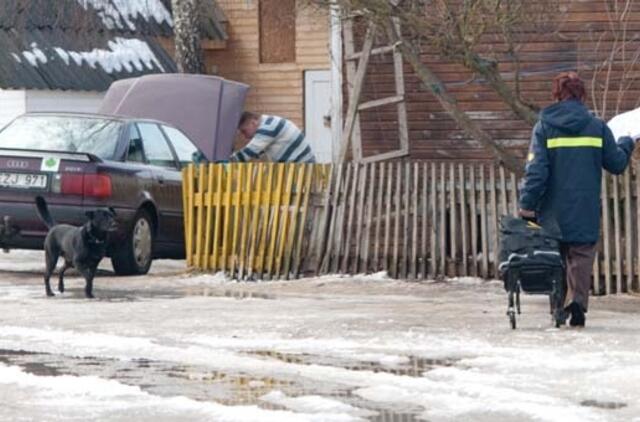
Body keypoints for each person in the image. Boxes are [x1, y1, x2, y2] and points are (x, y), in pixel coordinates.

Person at [518, 72, 637, 328]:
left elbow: (536, 171)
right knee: (581, 256)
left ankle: (557, 306)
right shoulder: (597, 126)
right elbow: (616, 164)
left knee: (555, 258)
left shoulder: (544, 127)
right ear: (582, 94)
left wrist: (527, 204)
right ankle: (578, 304)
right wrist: (627, 142)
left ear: (557, 94)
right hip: (585, 207)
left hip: (552, 210)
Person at [231, 112, 316, 163]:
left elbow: (249, 153)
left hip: (302, 167)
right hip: (300, 165)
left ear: (253, 123)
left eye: (244, 131)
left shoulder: (268, 128)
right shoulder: (269, 122)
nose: (244, 136)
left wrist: (226, 161)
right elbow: (257, 154)